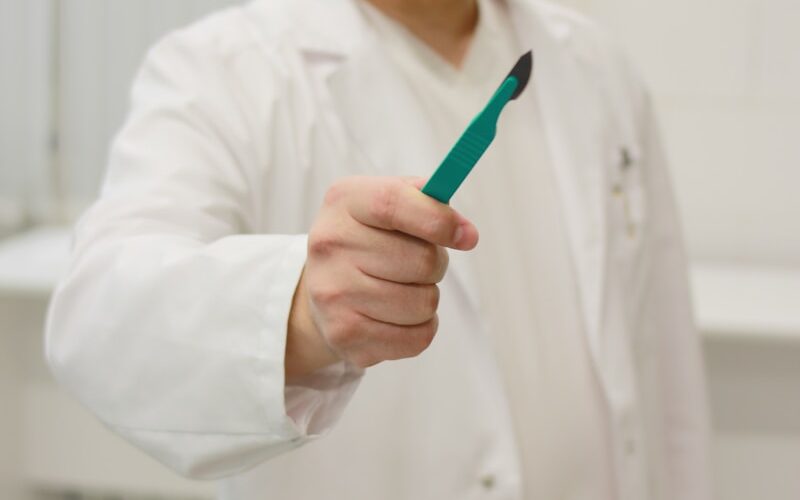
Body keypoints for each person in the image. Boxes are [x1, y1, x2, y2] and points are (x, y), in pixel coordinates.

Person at [45, 0, 712, 498]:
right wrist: (300, 312)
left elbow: (667, 373)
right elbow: (97, 316)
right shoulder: (223, 72)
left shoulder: (595, 66)